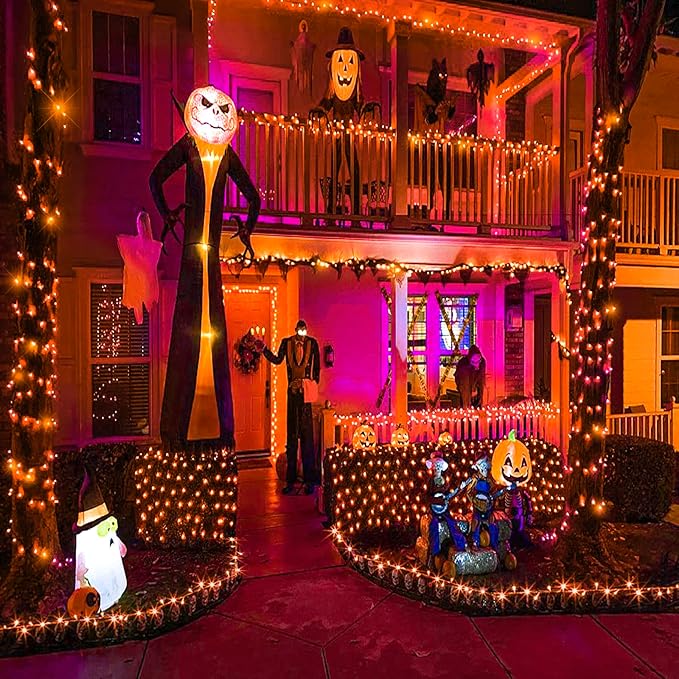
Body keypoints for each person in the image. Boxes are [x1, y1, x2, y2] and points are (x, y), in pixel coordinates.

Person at [262, 320, 320, 494]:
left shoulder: (313, 343)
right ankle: (290, 481)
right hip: (292, 396)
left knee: (307, 439)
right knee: (292, 438)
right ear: (295, 330)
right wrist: (264, 349)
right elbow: (277, 360)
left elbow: (316, 370)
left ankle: (309, 481)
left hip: (305, 396)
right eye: (300, 331)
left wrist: (307, 383)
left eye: (304, 331)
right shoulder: (286, 343)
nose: (302, 334)